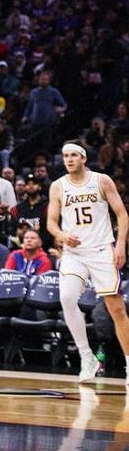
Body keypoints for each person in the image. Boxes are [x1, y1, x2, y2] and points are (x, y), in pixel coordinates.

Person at [47, 142, 129, 384]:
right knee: (66, 298)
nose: (69, 159)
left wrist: (121, 245)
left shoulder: (101, 180)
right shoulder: (58, 186)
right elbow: (51, 222)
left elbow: (122, 214)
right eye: (65, 155)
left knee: (117, 309)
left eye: (74, 155)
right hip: (74, 253)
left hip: (102, 250)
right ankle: (87, 356)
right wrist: (61, 235)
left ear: (83, 158)